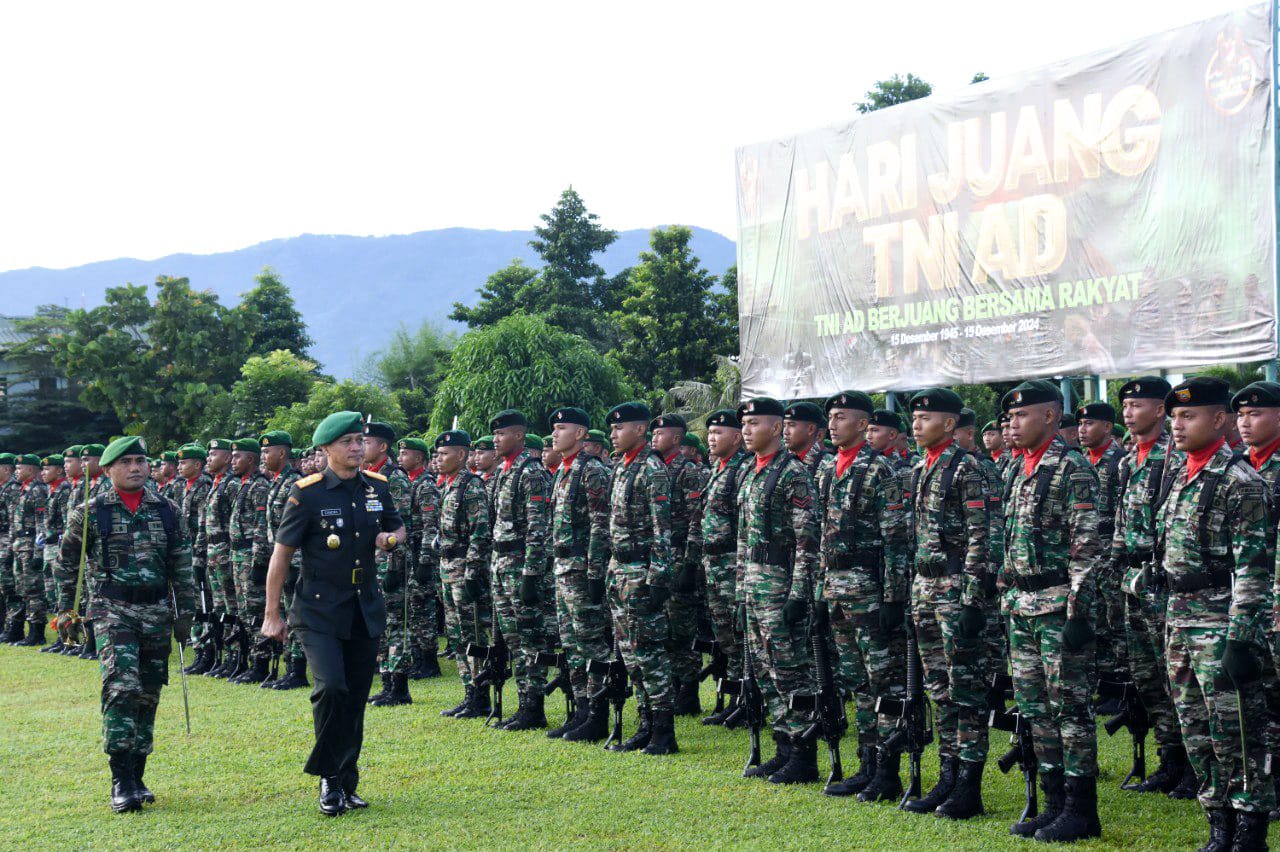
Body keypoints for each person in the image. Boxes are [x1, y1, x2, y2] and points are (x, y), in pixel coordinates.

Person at [261, 410, 405, 816]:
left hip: (364, 607)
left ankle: (347, 780)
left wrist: (390, 539)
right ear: (326, 449)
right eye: (347, 442)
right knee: (331, 688)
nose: (357, 448)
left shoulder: (378, 486)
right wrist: (272, 614)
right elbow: (282, 554)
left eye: (360, 441)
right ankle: (328, 777)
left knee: (355, 697)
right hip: (318, 609)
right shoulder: (306, 493)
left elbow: (398, 527)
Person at [1159, 377, 1273, 850]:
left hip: (1222, 624)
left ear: (1219, 420)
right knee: (1196, 729)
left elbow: (1253, 568)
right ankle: (1218, 823)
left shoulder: (1240, 482)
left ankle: (1249, 829)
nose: (1178, 426)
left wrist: (1242, 639)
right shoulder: (1181, 474)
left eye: (1188, 416)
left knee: (1239, 733)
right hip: (1181, 621)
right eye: (1173, 419)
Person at [58, 435, 196, 813]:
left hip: (155, 611)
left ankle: (137, 774)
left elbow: (182, 564)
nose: (136, 468)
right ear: (108, 469)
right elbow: (66, 562)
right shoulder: (91, 511)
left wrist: (186, 613)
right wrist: (65, 611)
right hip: (110, 608)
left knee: (148, 691)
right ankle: (120, 779)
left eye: (141, 461)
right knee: (121, 686)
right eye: (126, 462)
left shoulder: (167, 509)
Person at [1002, 380, 1103, 840]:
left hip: (1060, 604)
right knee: (1034, 707)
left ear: (1048, 417)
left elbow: (1086, 547)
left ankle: (1081, 812)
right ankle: (1053, 802)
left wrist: (1080, 613)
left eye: (1022, 415)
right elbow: (1009, 542)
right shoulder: (1017, 468)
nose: (1012, 423)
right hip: (1022, 606)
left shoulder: (1072, 469)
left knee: (1070, 710)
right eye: (1010, 417)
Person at [814, 391, 908, 799]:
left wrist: (893, 598)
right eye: (830, 417)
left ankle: (888, 771)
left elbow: (896, 540)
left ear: (862, 424)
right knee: (857, 681)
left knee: (884, 681)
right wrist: (819, 590)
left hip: (870, 588)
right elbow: (820, 538)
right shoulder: (826, 470)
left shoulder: (880, 470)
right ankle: (866, 764)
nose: (832, 424)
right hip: (837, 589)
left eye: (840, 417)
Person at [902, 389, 990, 818]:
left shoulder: (966, 468)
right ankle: (948, 776)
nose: (916, 424)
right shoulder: (921, 467)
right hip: (925, 588)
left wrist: (973, 598)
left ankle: (969, 786)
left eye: (926, 417)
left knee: (965, 689)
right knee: (939, 688)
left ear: (950, 424)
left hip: (956, 589)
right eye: (914, 417)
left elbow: (981, 535)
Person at [1111, 377, 1195, 797]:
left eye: (1137, 405)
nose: (1128, 412)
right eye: (1125, 405)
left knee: (1176, 676)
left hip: (1163, 581)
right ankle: (1169, 759)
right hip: (1133, 582)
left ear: (1160, 411)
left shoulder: (1175, 458)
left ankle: (1195, 767)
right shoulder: (1129, 461)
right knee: (1147, 679)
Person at [737, 396, 821, 784]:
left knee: (790, 670)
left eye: (754, 424)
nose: (747, 430)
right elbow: (743, 540)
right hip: (755, 585)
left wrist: (799, 595)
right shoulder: (750, 472)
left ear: (775, 428)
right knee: (765, 671)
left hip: (781, 584)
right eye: (744, 424)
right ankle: (783, 747)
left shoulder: (793, 473)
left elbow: (808, 541)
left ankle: (804, 754)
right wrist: (740, 593)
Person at [604, 401, 678, 754]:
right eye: (612, 429)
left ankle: (664, 730)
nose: (613, 435)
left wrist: (658, 580)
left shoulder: (652, 469)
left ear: (640, 430)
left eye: (620, 428)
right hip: (619, 571)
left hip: (642, 573)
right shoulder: (621, 468)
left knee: (649, 654)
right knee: (629, 655)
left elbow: (663, 530)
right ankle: (645, 723)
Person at [545, 407, 612, 740]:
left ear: (581, 434)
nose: (555, 434)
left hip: (582, 570)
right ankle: (582, 709)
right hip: (562, 569)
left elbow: (602, 524)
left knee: (591, 642)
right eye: (554, 428)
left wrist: (596, 571)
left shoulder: (592, 471)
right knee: (571, 643)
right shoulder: (563, 470)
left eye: (562, 428)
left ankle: (598, 713)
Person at [487, 409, 553, 730]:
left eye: (502, 434)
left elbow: (538, 528)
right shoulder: (503, 470)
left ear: (519, 435)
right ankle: (523, 701)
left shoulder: (531, 472)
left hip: (520, 566)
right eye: (495, 435)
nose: (496, 440)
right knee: (513, 640)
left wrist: (531, 574)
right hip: (500, 565)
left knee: (530, 637)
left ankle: (534, 706)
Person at [1232, 380, 1280, 810]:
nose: (1246, 423)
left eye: (1256, 414)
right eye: (1241, 415)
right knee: (1263, 695)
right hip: (1254, 600)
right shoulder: (1241, 466)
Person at [649, 412, 708, 716]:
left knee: (682, 628)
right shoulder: (655, 469)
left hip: (681, 555)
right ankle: (672, 685)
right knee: (664, 627)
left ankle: (688, 690)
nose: (653, 439)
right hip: (660, 557)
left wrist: (691, 564)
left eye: (660, 435)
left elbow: (698, 520)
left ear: (675, 438)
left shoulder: (689, 472)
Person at [433, 430, 493, 720]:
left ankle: (480, 695)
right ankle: (468, 691)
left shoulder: (471, 486)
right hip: (446, 569)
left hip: (463, 570)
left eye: (444, 454)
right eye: (437, 454)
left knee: (472, 634)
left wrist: (472, 573)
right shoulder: (448, 485)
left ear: (461, 455)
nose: (439, 459)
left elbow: (480, 533)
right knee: (456, 635)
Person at [697, 409, 748, 727]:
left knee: (740, 637)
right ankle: (733, 698)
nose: (712, 438)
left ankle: (746, 700)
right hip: (714, 565)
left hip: (732, 564)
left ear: (737, 436)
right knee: (726, 638)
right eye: (710, 433)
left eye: (719, 432)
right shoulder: (717, 468)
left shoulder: (741, 471)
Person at [1076, 402, 1128, 697]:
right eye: (1081, 425)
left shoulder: (1119, 461)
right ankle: (1102, 681)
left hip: (1110, 551)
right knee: (1094, 618)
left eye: (1090, 424)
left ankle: (1120, 685)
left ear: (1108, 427)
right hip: (1087, 551)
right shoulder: (1081, 462)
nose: (1083, 430)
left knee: (1115, 619)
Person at [259, 431, 306, 690]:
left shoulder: (295, 483)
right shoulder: (278, 481)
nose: (263, 456)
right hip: (280, 560)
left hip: (294, 561)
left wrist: (291, 564)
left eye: (268, 451)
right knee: (286, 611)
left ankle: (297, 670)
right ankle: (290, 667)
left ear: (282, 453)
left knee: (294, 613)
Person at [398, 437, 442, 682]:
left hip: (420, 554)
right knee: (412, 608)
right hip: (409, 553)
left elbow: (431, 526)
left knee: (422, 608)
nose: (401, 458)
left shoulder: (425, 485)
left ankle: (428, 660)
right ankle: (417, 657)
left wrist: (425, 560)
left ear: (420, 459)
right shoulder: (407, 482)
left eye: (406, 454)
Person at [10, 453, 49, 646]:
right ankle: (21, 629)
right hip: (20, 546)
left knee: (34, 591)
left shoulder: (38, 490)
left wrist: (38, 552)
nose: (16, 471)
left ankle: (37, 631)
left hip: (30, 545)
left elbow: (41, 523)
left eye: (20, 468)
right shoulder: (24, 489)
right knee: (22, 589)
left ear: (31, 470)